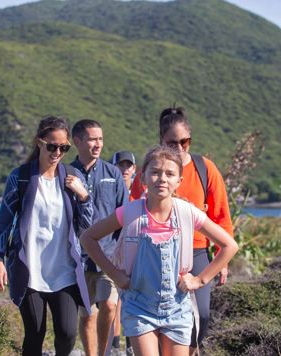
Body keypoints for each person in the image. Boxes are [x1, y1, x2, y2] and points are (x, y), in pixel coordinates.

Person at [80, 145, 239, 356]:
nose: (162, 178)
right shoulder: (129, 212)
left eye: (170, 174)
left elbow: (230, 245)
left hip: (177, 306)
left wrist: (200, 280)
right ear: (143, 178)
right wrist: (115, 275)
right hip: (139, 306)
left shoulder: (187, 213)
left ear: (178, 182)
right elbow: (88, 238)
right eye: (155, 172)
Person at [130, 107, 234, 352]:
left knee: (203, 316)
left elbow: (221, 215)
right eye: (172, 142)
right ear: (161, 141)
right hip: (153, 251)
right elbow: (133, 212)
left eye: (184, 142)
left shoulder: (205, 168)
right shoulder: (149, 171)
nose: (179, 148)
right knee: (154, 315)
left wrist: (222, 257)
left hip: (196, 250)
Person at [0, 116, 94, 356]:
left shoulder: (71, 179)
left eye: (64, 147)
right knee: (35, 333)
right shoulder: (21, 177)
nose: (58, 152)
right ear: (39, 143)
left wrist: (83, 197)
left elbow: (87, 225)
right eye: (52, 146)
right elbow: (4, 221)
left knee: (68, 334)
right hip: (30, 271)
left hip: (64, 272)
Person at [71, 119, 129, 356]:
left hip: (109, 256)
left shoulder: (113, 173)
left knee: (109, 304)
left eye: (101, 139)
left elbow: (124, 214)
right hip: (79, 258)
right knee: (86, 314)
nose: (98, 144)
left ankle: (105, 353)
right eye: (93, 139)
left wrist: (124, 253)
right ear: (77, 142)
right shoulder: (66, 173)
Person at [111, 150, 138, 355]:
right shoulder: (110, 191)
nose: (125, 169)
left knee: (132, 297)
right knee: (115, 300)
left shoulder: (140, 193)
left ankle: (131, 344)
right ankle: (114, 345)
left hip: (136, 252)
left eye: (129, 165)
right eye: (121, 165)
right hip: (113, 251)